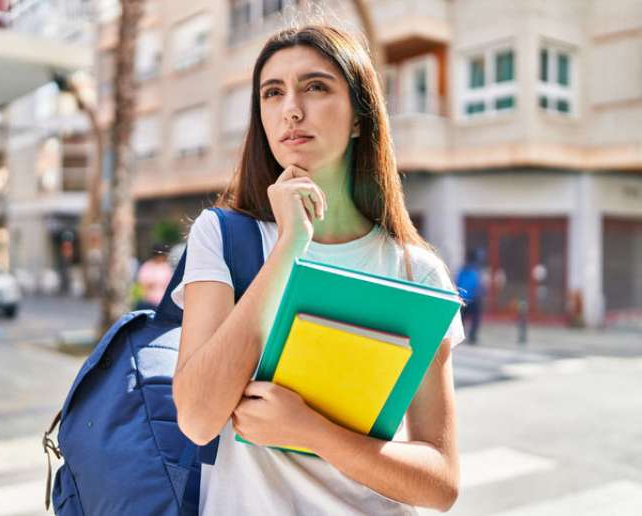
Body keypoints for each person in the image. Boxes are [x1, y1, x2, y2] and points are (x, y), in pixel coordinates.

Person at [171, 25, 464, 515]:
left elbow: (442, 484)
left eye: (316, 87)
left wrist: (310, 430)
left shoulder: (417, 271)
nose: (291, 109)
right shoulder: (222, 237)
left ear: (358, 118)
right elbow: (198, 419)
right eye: (273, 92)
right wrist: (289, 246)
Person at [456, 248, 484, 344]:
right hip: (473, 299)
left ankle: (462, 336)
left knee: (462, 318)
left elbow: (458, 282)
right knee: (474, 319)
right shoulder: (475, 270)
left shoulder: (464, 270)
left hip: (464, 298)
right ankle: (471, 336)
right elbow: (478, 284)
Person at [134, 245, 173, 311]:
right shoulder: (147, 266)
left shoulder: (166, 267)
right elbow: (143, 284)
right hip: (148, 301)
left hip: (162, 302)